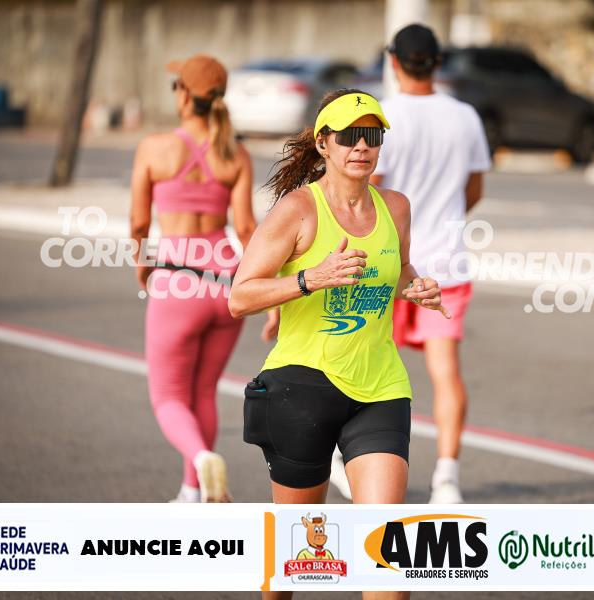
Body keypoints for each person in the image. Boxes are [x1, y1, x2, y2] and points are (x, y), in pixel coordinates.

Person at [229, 88, 448, 600]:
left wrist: (416, 286)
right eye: (349, 136)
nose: (362, 146)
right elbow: (240, 297)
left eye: (372, 135)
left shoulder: (396, 207)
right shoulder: (297, 210)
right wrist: (312, 278)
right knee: (293, 561)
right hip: (301, 389)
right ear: (324, 143)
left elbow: (397, 268)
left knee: (389, 559)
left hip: (380, 387)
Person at [338, 23, 489, 505]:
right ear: (437, 62)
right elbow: (473, 190)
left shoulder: (384, 116)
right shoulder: (465, 116)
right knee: (446, 372)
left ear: (393, 61)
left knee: (359, 361)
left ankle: (346, 459)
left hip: (387, 263)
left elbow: (368, 190)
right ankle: (447, 478)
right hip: (446, 263)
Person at [130, 54, 259, 503]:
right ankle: (192, 492)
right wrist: (268, 295)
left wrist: (142, 265)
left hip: (177, 278)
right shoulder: (236, 154)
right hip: (226, 282)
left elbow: (138, 224)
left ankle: (201, 458)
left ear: (184, 95)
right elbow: (247, 229)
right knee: (204, 391)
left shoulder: (154, 148)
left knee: (168, 396)